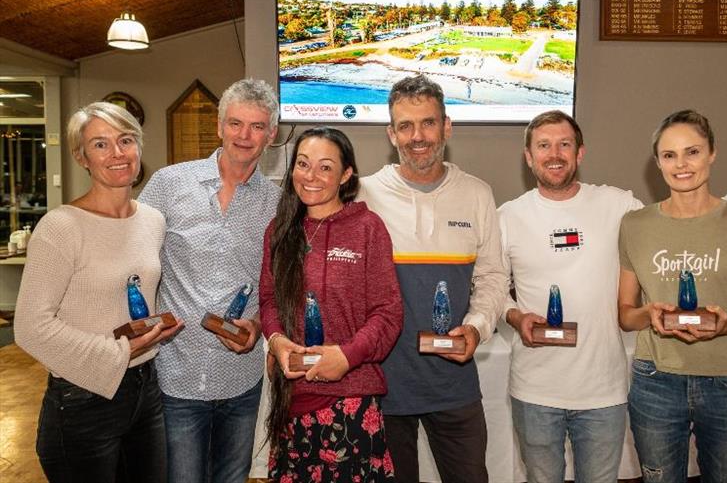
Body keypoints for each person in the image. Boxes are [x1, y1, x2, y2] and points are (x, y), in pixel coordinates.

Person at [498, 110, 727, 483]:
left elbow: (678, 218)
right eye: (543, 146)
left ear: (580, 153)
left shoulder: (619, 206)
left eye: (565, 144)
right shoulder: (507, 217)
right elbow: (492, 288)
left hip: (604, 391)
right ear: (528, 156)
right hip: (534, 389)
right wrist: (515, 316)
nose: (555, 154)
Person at [14, 102, 183, 482]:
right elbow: (29, 327)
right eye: (100, 144)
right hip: (82, 400)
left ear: (139, 147)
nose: (117, 153)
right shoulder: (60, 228)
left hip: (146, 389)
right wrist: (122, 350)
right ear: (81, 156)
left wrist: (155, 330)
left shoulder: (152, 221)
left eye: (125, 140)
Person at [618, 109, 727, 483]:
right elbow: (626, 315)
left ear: (712, 152)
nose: (681, 164)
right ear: (657, 162)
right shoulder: (635, 225)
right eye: (669, 155)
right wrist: (651, 313)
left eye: (692, 152)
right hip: (656, 381)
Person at [357, 75, 507, 483]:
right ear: (391, 133)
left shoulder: (477, 193)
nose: (417, 136)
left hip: (453, 385)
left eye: (427, 123)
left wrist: (476, 329)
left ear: (447, 126)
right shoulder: (362, 195)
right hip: (383, 386)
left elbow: (493, 276)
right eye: (405, 126)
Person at [138, 79, 281, 483]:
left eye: (256, 127)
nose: (244, 135)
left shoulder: (277, 203)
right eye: (236, 123)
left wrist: (256, 326)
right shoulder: (169, 184)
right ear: (219, 126)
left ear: (270, 135)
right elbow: (135, 257)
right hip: (175, 374)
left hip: (240, 379)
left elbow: (274, 287)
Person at [260, 126, 403, 482]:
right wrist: (277, 342)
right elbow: (268, 300)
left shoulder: (368, 228)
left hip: (350, 405)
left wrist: (346, 356)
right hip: (291, 404)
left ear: (346, 174)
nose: (311, 176)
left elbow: (388, 313)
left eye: (325, 167)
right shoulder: (279, 230)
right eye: (303, 164)